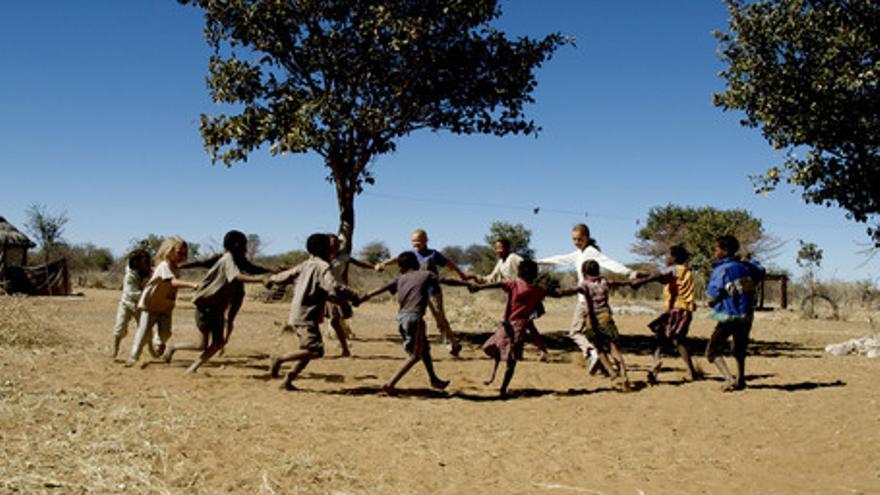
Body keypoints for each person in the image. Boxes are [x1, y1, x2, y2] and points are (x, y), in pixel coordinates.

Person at [162, 230, 273, 373]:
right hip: (206, 307)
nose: (246, 249)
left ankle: (190, 366)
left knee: (213, 343)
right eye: (244, 246)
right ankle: (177, 351)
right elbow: (236, 276)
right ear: (237, 246)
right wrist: (261, 279)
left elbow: (253, 268)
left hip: (216, 308)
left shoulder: (235, 259)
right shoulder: (228, 259)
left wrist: (273, 272)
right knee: (205, 344)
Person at [361, 251, 470, 395]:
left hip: (402, 318)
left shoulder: (400, 279)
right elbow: (447, 281)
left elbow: (381, 289)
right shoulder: (426, 275)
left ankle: (434, 379)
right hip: (415, 318)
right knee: (415, 356)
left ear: (400, 268)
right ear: (417, 263)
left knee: (424, 348)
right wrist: (468, 284)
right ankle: (390, 384)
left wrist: (362, 298)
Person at [537, 224, 638, 373]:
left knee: (575, 332)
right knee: (598, 335)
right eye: (574, 239)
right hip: (592, 302)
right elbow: (560, 259)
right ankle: (605, 364)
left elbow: (610, 263)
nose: (576, 242)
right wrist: (538, 261)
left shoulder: (592, 252)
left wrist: (629, 273)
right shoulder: (579, 253)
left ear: (587, 237)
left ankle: (591, 352)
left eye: (579, 239)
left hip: (586, 301)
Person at [267, 233, 361, 391]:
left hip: (298, 314)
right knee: (315, 351)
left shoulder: (306, 264)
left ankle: (288, 381)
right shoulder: (323, 266)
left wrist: (271, 279)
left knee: (306, 351)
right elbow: (333, 286)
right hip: (306, 315)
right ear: (327, 249)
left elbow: (286, 275)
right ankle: (280, 359)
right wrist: (353, 295)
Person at [469, 258, 556, 398]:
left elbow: (497, 284)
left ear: (520, 272)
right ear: (534, 274)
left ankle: (498, 383)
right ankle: (502, 385)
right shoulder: (537, 290)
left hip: (508, 325)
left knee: (500, 351)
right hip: (516, 327)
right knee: (511, 360)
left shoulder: (516, 284)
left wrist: (479, 287)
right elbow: (556, 293)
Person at [375, 228, 469, 357]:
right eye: (413, 241)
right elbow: (396, 259)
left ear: (426, 240)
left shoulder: (433, 254)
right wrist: (382, 264)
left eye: (419, 240)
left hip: (432, 291)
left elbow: (449, 264)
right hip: (416, 293)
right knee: (414, 318)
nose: (416, 243)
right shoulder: (411, 255)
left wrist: (462, 274)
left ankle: (452, 344)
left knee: (440, 318)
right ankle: (415, 346)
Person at [557, 260, 633, 392]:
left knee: (599, 349)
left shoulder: (584, 285)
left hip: (591, 320)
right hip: (605, 317)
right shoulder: (605, 282)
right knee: (613, 349)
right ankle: (624, 375)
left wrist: (557, 292)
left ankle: (612, 373)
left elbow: (570, 291)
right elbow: (622, 283)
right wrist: (634, 282)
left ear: (584, 272)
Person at [472, 238, 550, 362]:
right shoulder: (501, 262)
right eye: (496, 248)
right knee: (523, 324)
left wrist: (528, 286)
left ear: (507, 248)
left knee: (525, 323)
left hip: (523, 295)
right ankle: (528, 351)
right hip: (514, 297)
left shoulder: (514, 258)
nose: (498, 251)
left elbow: (527, 266)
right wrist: (478, 279)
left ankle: (538, 350)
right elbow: (492, 278)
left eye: (500, 248)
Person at [125, 237, 198, 367]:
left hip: (166, 305)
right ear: (170, 251)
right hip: (151, 304)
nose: (182, 256)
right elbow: (172, 282)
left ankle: (159, 342)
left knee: (166, 332)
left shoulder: (175, 268)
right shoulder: (164, 265)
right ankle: (133, 357)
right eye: (179, 253)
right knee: (143, 331)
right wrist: (192, 285)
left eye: (185, 254)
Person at [705, 235, 765, 392]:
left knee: (713, 351)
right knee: (739, 348)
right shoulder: (747, 266)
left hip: (729, 313)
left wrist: (712, 301)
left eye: (717, 249)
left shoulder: (721, 269)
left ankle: (728, 378)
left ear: (724, 251)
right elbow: (761, 271)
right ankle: (741, 378)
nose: (715, 252)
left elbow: (713, 292)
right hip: (746, 313)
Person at [633, 245, 700, 383]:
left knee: (673, 340)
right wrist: (643, 276)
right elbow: (661, 277)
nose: (665, 258)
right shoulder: (685, 270)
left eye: (667, 255)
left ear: (674, 257)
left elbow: (661, 276)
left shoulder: (676, 269)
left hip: (676, 309)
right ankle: (661, 365)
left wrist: (642, 282)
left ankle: (659, 363)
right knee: (664, 338)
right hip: (682, 310)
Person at [325, 234, 374, 357]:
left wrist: (374, 267)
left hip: (337, 292)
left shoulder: (343, 256)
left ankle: (344, 348)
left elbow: (359, 263)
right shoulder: (321, 257)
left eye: (337, 243)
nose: (335, 245)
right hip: (322, 291)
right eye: (332, 243)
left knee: (335, 320)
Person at [111, 249, 151, 359]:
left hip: (142, 305)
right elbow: (132, 293)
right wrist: (148, 294)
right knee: (120, 327)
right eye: (143, 261)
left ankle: (151, 348)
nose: (146, 263)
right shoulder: (130, 275)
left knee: (145, 329)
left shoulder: (149, 273)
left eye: (147, 260)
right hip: (127, 303)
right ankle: (115, 348)